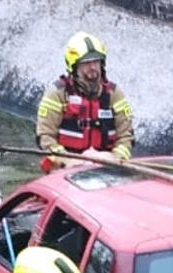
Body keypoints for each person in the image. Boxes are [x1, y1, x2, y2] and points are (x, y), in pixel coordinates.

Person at [35, 31, 133, 172]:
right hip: (64, 170)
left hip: (106, 168)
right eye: (86, 63)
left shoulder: (114, 94)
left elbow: (126, 137)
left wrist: (114, 158)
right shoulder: (57, 94)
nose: (93, 67)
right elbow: (45, 137)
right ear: (74, 66)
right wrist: (68, 160)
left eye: (96, 61)